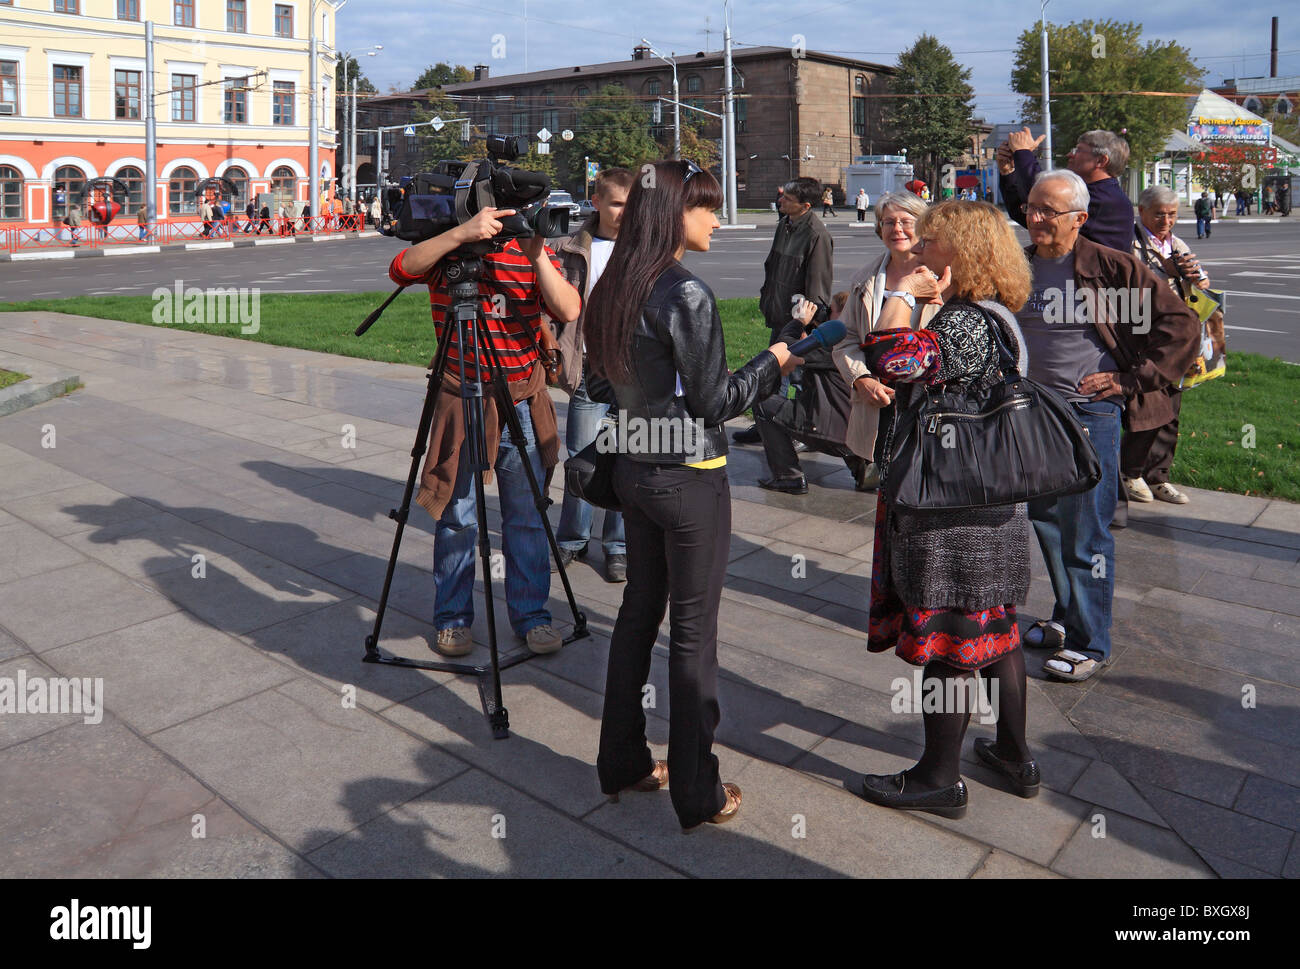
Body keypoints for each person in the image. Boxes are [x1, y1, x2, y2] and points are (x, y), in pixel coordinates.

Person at [584, 158, 798, 832]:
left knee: (636, 612)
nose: (714, 219)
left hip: (632, 474)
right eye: (705, 206)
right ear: (673, 213)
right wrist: (775, 362)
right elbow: (715, 403)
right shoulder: (685, 293)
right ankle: (698, 792)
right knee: (693, 636)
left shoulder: (615, 281)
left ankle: (622, 761)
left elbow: (595, 387)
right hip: (688, 478)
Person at [852, 200, 1038, 819]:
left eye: (929, 241)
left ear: (958, 252)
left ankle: (938, 778)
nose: (918, 249)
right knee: (997, 632)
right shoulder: (998, 317)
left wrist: (902, 290)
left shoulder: (961, 322)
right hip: (996, 501)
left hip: (953, 510)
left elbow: (889, 359)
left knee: (950, 638)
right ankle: (1013, 756)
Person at [1015, 170, 1199, 682]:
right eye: (1031, 207)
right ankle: (1067, 616)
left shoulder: (1111, 267)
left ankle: (1089, 643)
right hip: (1032, 414)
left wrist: (1129, 379)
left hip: (1087, 415)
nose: (1035, 218)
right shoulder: (1019, 266)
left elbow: (1182, 324)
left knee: (1086, 533)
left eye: (1049, 211)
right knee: (1047, 523)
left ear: (1080, 218)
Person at [387, 203, 580, 659]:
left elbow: (569, 307)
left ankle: (532, 615)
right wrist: (460, 235)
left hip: (519, 401)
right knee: (457, 518)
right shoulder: (447, 253)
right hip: (461, 399)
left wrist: (535, 255)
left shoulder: (530, 251)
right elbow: (400, 269)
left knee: (527, 518)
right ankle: (452, 619)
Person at [550, 167, 634, 581]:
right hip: (588, 371)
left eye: (630, 204)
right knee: (581, 461)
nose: (623, 212)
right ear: (596, 201)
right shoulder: (571, 248)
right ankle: (571, 540)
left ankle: (617, 546)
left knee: (626, 460)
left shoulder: (644, 249)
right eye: (616, 203)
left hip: (633, 375)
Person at [833, 191, 941, 491]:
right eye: (888, 222)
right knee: (885, 496)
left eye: (907, 221)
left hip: (928, 407)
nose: (897, 229)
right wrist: (861, 379)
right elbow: (846, 340)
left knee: (924, 491)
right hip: (878, 404)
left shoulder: (943, 275)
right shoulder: (865, 279)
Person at [1125, 185, 1211, 506]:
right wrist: (1166, 274)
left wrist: (1197, 279)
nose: (1166, 220)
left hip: (1176, 338)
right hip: (1143, 336)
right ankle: (1129, 473)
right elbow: (1131, 288)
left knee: (1172, 409)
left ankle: (1158, 475)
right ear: (1142, 211)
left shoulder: (1177, 243)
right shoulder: (1130, 242)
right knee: (1147, 408)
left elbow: (1202, 282)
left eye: (1172, 214)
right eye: (1159, 213)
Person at [734, 176, 833, 446]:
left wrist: (805, 327)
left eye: (788, 199)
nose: (781, 201)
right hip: (780, 315)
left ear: (805, 205)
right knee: (772, 372)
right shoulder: (785, 224)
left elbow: (818, 289)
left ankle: (801, 431)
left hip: (799, 321)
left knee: (798, 377)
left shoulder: (816, 234)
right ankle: (766, 425)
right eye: (783, 196)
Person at [751, 290, 870, 493]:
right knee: (841, 409)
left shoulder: (834, 345)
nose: (823, 316)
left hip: (829, 433)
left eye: (829, 311)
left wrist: (798, 322)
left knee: (763, 404)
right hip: (862, 435)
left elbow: (784, 349)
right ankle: (864, 471)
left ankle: (788, 476)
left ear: (842, 317)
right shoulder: (864, 342)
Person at [997, 128, 1133, 251]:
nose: (1069, 155)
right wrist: (1008, 171)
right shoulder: (1100, 192)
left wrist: (1023, 153)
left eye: (1078, 150)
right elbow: (1025, 215)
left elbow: (1043, 192)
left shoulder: (1106, 199)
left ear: (1101, 161)